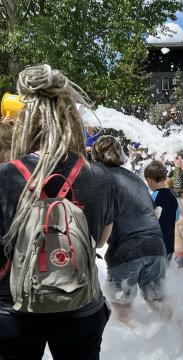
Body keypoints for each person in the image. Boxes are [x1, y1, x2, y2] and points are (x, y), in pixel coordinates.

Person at [0, 65, 113, 359]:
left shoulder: (6, 176)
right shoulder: (98, 176)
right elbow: (100, 240)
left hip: (13, 308)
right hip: (79, 302)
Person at [92, 136, 168, 326]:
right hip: (156, 246)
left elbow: (104, 221)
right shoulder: (134, 178)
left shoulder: (102, 179)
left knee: (121, 312)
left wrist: (94, 245)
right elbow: (154, 212)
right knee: (160, 304)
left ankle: (138, 348)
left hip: (128, 251)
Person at [144, 161, 178, 261]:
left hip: (156, 247)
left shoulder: (152, 197)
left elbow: (147, 221)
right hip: (170, 245)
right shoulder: (173, 196)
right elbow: (177, 217)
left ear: (149, 180)